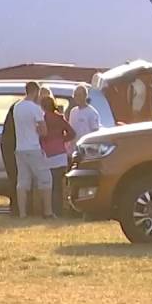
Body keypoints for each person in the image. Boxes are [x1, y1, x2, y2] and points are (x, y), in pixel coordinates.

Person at [13, 81, 53, 219]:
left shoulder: (17, 107)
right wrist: (38, 130)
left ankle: (22, 213)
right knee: (45, 179)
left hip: (20, 148)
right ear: (35, 92)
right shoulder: (35, 108)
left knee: (23, 181)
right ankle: (47, 212)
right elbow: (44, 131)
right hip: (33, 147)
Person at [38, 89, 75, 217]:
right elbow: (72, 133)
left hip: (48, 154)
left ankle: (51, 210)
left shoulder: (43, 119)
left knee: (50, 184)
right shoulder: (59, 118)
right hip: (61, 154)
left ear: (43, 106)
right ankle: (60, 210)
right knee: (59, 184)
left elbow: (40, 136)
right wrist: (62, 140)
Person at [67, 84, 104, 149]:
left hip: (86, 149)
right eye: (75, 95)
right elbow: (71, 131)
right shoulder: (73, 111)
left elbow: (95, 133)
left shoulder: (92, 113)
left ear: (85, 96)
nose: (77, 97)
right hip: (74, 149)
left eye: (79, 95)